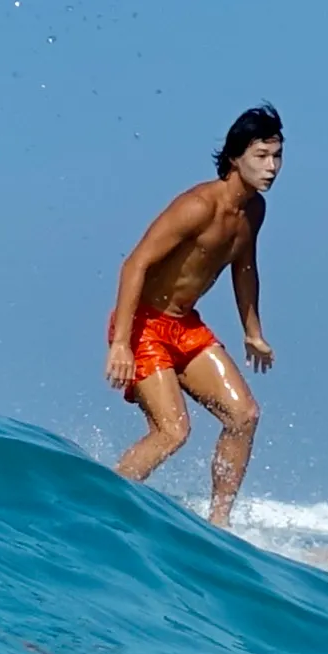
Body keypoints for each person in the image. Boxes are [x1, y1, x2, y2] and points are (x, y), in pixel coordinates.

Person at [102, 105, 281, 525]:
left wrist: (252, 331)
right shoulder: (198, 206)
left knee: (244, 416)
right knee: (173, 431)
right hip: (143, 325)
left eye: (277, 156)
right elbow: (135, 265)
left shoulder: (254, 211)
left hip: (185, 326)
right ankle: (103, 504)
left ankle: (219, 524)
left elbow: (245, 267)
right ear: (235, 158)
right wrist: (121, 343)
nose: (271, 167)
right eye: (261, 156)